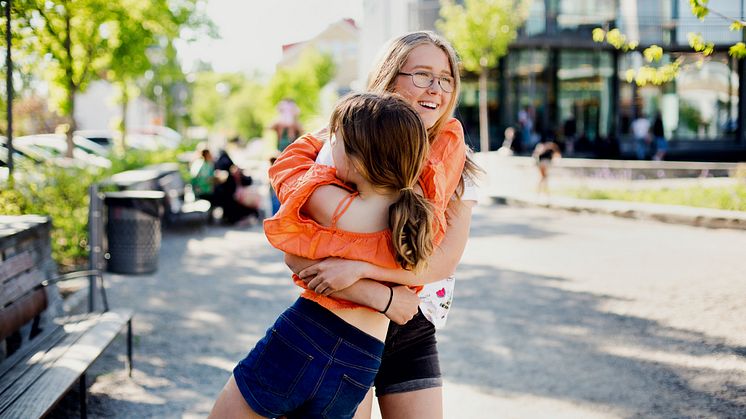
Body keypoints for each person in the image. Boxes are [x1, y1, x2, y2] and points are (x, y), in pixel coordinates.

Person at [270, 31, 479, 419]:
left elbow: (443, 261)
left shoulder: (459, 162)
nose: (436, 88)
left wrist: (360, 268)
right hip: (342, 319)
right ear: (388, 76)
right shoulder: (344, 149)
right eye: (421, 74)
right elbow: (296, 253)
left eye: (446, 78)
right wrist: (379, 296)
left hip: (411, 324)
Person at [210, 93, 437, 418]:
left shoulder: (336, 206)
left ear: (358, 160)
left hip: (306, 335)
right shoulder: (418, 218)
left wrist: (318, 133)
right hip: (363, 359)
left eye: (337, 140)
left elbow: (287, 167)